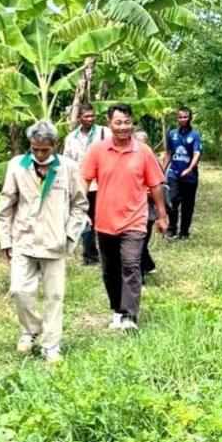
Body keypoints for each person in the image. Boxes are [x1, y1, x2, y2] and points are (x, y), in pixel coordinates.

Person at [0, 120, 89, 364]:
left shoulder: (67, 168)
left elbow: (80, 205)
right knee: (19, 290)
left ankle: (51, 344)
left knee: (54, 295)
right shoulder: (17, 166)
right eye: (34, 148)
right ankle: (32, 328)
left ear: (54, 146)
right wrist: (6, 240)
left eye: (44, 149)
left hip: (55, 242)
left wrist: (70, 235)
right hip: (23, 240)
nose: (38, 154)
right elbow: (5, 206)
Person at [80, 105, 168, 331]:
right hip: (105, 221)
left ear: (132, 123)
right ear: (109, 123)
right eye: (118, 123)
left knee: (131, 264)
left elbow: (155, 185)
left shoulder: (144, 151)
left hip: (135, 220)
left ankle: (130, 315)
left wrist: (161, 215)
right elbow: (84, 180)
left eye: (127, 122)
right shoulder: (97, 150)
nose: (123, 127)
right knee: (110, 269)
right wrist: (78, 209)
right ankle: (117, 310)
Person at [62, 102, 110, 265]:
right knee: (83, 218)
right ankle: (90, 254)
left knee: (102, 220)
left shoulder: (105, 133)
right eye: (86, 116)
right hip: (81, 184)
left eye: (92, 116)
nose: (90, 119)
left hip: (102, 184)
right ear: (79, 118)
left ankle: (106, 254)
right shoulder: (70, 139)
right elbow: (67, 162)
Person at [163, 107, 203, 240]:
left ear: (190, 118)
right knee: (172, 202)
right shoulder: (172, 134)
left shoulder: (195, 135)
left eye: (185, 117)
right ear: (177, 118)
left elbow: (197, 154)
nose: (183, 119)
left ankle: (184, 232)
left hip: (190, 177)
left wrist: (190, 169)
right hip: (173, 174)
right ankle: (172, 229)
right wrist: (162, 170)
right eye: (180, 117)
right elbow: (169, 153)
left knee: (188, 205)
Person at [133, 131, 160, 280]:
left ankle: (145, 268)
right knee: (136, 243)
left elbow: (160, 185)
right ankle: (144, 269)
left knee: (141, 242)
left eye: (143, 142)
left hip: (148, 209)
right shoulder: (126, 159)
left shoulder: (153, 160)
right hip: (130, 208)